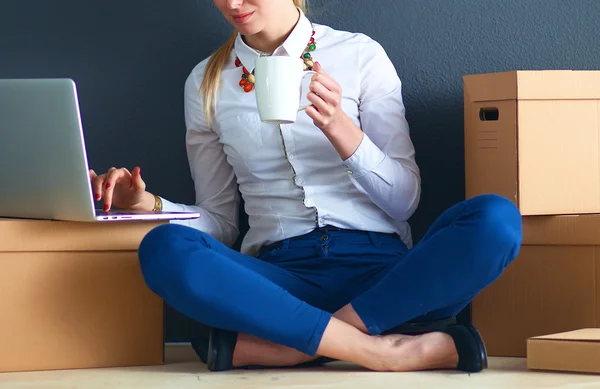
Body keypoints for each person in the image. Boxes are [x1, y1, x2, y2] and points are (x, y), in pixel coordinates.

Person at [90, 0, 522, 373]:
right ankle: (381, 350)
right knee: (163, 248)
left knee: (496, 219)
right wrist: (148, 204)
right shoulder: (207, 81)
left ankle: (293, 346)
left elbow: (404, 201)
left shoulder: (359, 55)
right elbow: (221, 221)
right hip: (281, 279)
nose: (231, 3)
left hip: (386, 277)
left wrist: (340, 129)